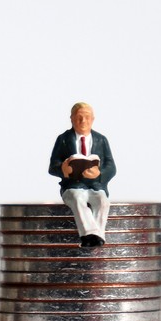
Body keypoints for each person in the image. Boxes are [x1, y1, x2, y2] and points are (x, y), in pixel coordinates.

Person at [48, 102, 117, 247]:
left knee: (103, 202)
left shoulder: (101, 140)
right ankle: (90, 235)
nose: (83, 121)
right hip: (73, 186)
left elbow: (111, 167)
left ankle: (96, 237)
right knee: (77, 198)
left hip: (96, 186)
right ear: (72, 119)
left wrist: (99, 174)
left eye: (87, 117)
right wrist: (63, 170)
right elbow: (52, 166)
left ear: (93, 119)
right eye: (79, 117)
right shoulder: (63, 139)